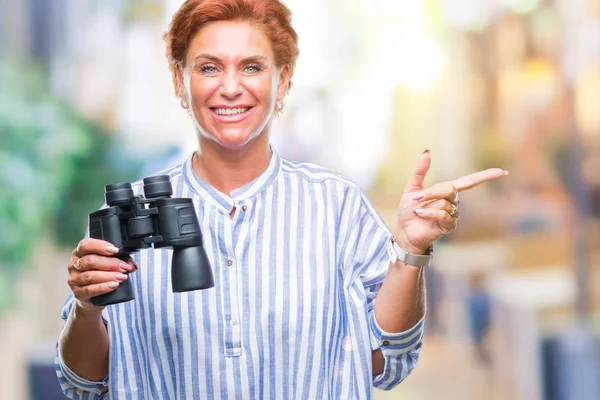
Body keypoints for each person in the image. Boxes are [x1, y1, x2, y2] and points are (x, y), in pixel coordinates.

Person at [55, 0, 507, 398]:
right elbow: (85, 385)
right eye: (209, 67)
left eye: (252, 66)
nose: (230, 87)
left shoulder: (337, 207)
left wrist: (410, 249)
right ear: (180, 79)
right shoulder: (130, 213)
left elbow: (388, 363)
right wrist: (86, 307)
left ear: (283, 79)